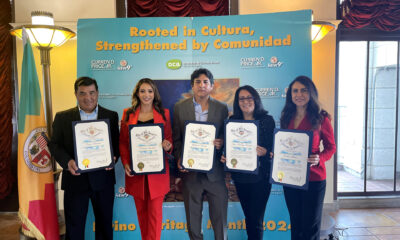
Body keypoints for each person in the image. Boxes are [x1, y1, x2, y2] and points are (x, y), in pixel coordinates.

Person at [49, 76, 119, 240]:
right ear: (76, 94)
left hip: (103, 181)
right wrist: (67, 162)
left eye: (92, 93)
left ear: (98, 93)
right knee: (74, 229)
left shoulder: (111, 115)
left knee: (104, 227)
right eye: (83, 93)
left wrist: (114, 158)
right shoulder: (62, 117)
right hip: (75, 181)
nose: (88, 97)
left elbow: (116, 144)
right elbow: (54, 145)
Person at [173, 68, 229, 240]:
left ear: (211, 86)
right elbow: (177, 139)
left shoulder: (222, 108)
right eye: (198, 82)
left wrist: (221, 141)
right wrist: (179, 158)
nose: (202, 85)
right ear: (192, 86)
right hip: (191, 174)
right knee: (193, 223)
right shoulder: (179, 108)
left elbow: (226, 135)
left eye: (206, 82)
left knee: (220, 221)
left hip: (215, 173)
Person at [280, 76, 336, 240]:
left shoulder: (321, 118)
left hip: (314, 179)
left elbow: (331, 147)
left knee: (310, 226)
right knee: (295, 223)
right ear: (290, 94)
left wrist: (319, 158)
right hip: (291, 178)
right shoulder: (286, 116)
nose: (299, 94)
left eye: (304, 90)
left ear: (311, 93)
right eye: (295, 91)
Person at [119, 78, 172, 240]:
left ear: (154, 93)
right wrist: (126, 163)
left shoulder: (165, 114)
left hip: (158, 174)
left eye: (150, 91)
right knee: (142, 216)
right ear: (137, 93)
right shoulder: (128, 114)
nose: (146, 94)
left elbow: (170, 140)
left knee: (155, 217)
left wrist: (168, 145)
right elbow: (122, 143)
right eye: (142, 91)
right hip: (137, 175)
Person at [220, 85, 275, 240]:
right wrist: (226, 158)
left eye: (249, 97)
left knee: (255, 220)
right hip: (240, 178)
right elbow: (229, 147)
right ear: (237, 102)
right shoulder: (232, 121)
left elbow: (273, 150)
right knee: (248, 218)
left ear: (256, 99)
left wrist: (265, 152)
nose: (245, 101)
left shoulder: (267, 120)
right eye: (241, 98)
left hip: (260, 178)